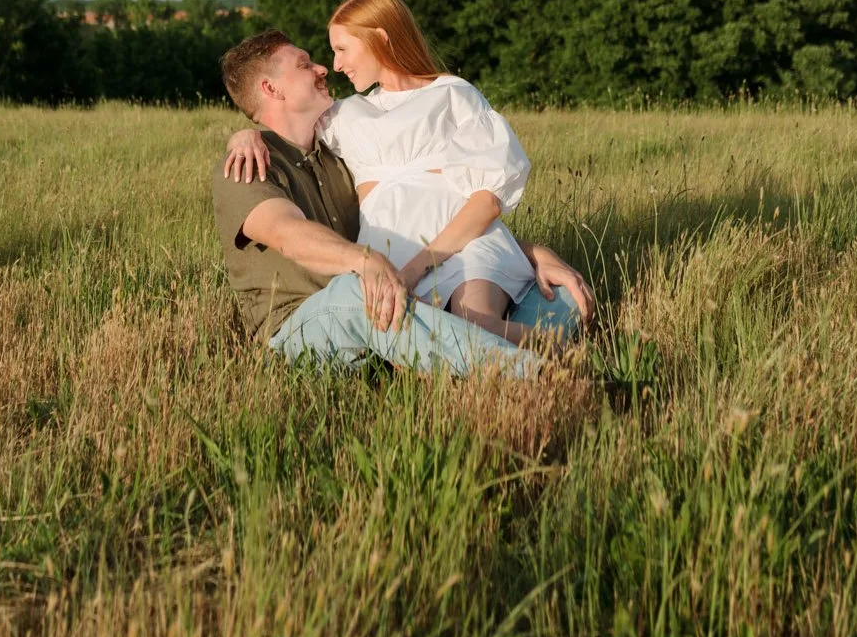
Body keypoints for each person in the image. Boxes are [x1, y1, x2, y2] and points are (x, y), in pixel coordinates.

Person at [213, 27, 593, 376]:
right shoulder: (248, 165)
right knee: (355, 291)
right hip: (302, 327)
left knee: (559, 294)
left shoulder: (340, 159)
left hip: (381, 309)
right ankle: (536, 376)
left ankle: (494, 352)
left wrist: (527, 252)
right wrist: (368, 262)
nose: (323, 68)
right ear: (272, 88)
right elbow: (287, 234)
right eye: (304, 64)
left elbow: (415, 219)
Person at [223, 0, 538, 340]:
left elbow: (488, 198)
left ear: (379, 39)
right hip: (392, 256)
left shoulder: (453, 95)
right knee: (419, 348)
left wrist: (420, 268)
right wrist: (245, 136)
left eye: (342, 49)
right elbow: (280, 123)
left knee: (476, 327)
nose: (334, 65)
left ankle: (566, 357)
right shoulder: (344, 115)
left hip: (462, 246)